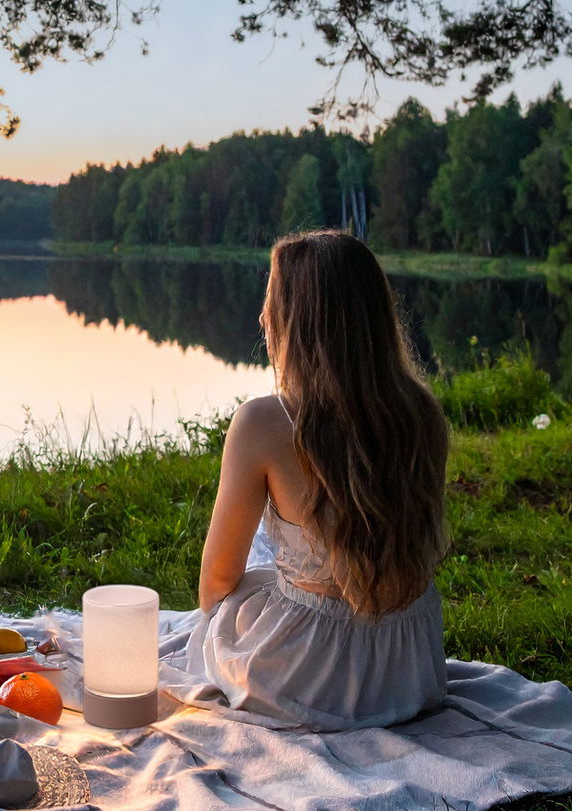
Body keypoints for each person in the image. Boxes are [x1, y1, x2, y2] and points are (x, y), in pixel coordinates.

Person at [159, 230, 450, 729]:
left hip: (310, 677)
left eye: (270, 300)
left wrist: (231, 622)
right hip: (409, 665)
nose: (261, 317)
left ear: (295, 321)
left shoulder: (264, 422)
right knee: (279, 554)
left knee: (247, 573)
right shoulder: (421, 412)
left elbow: (215, 584)